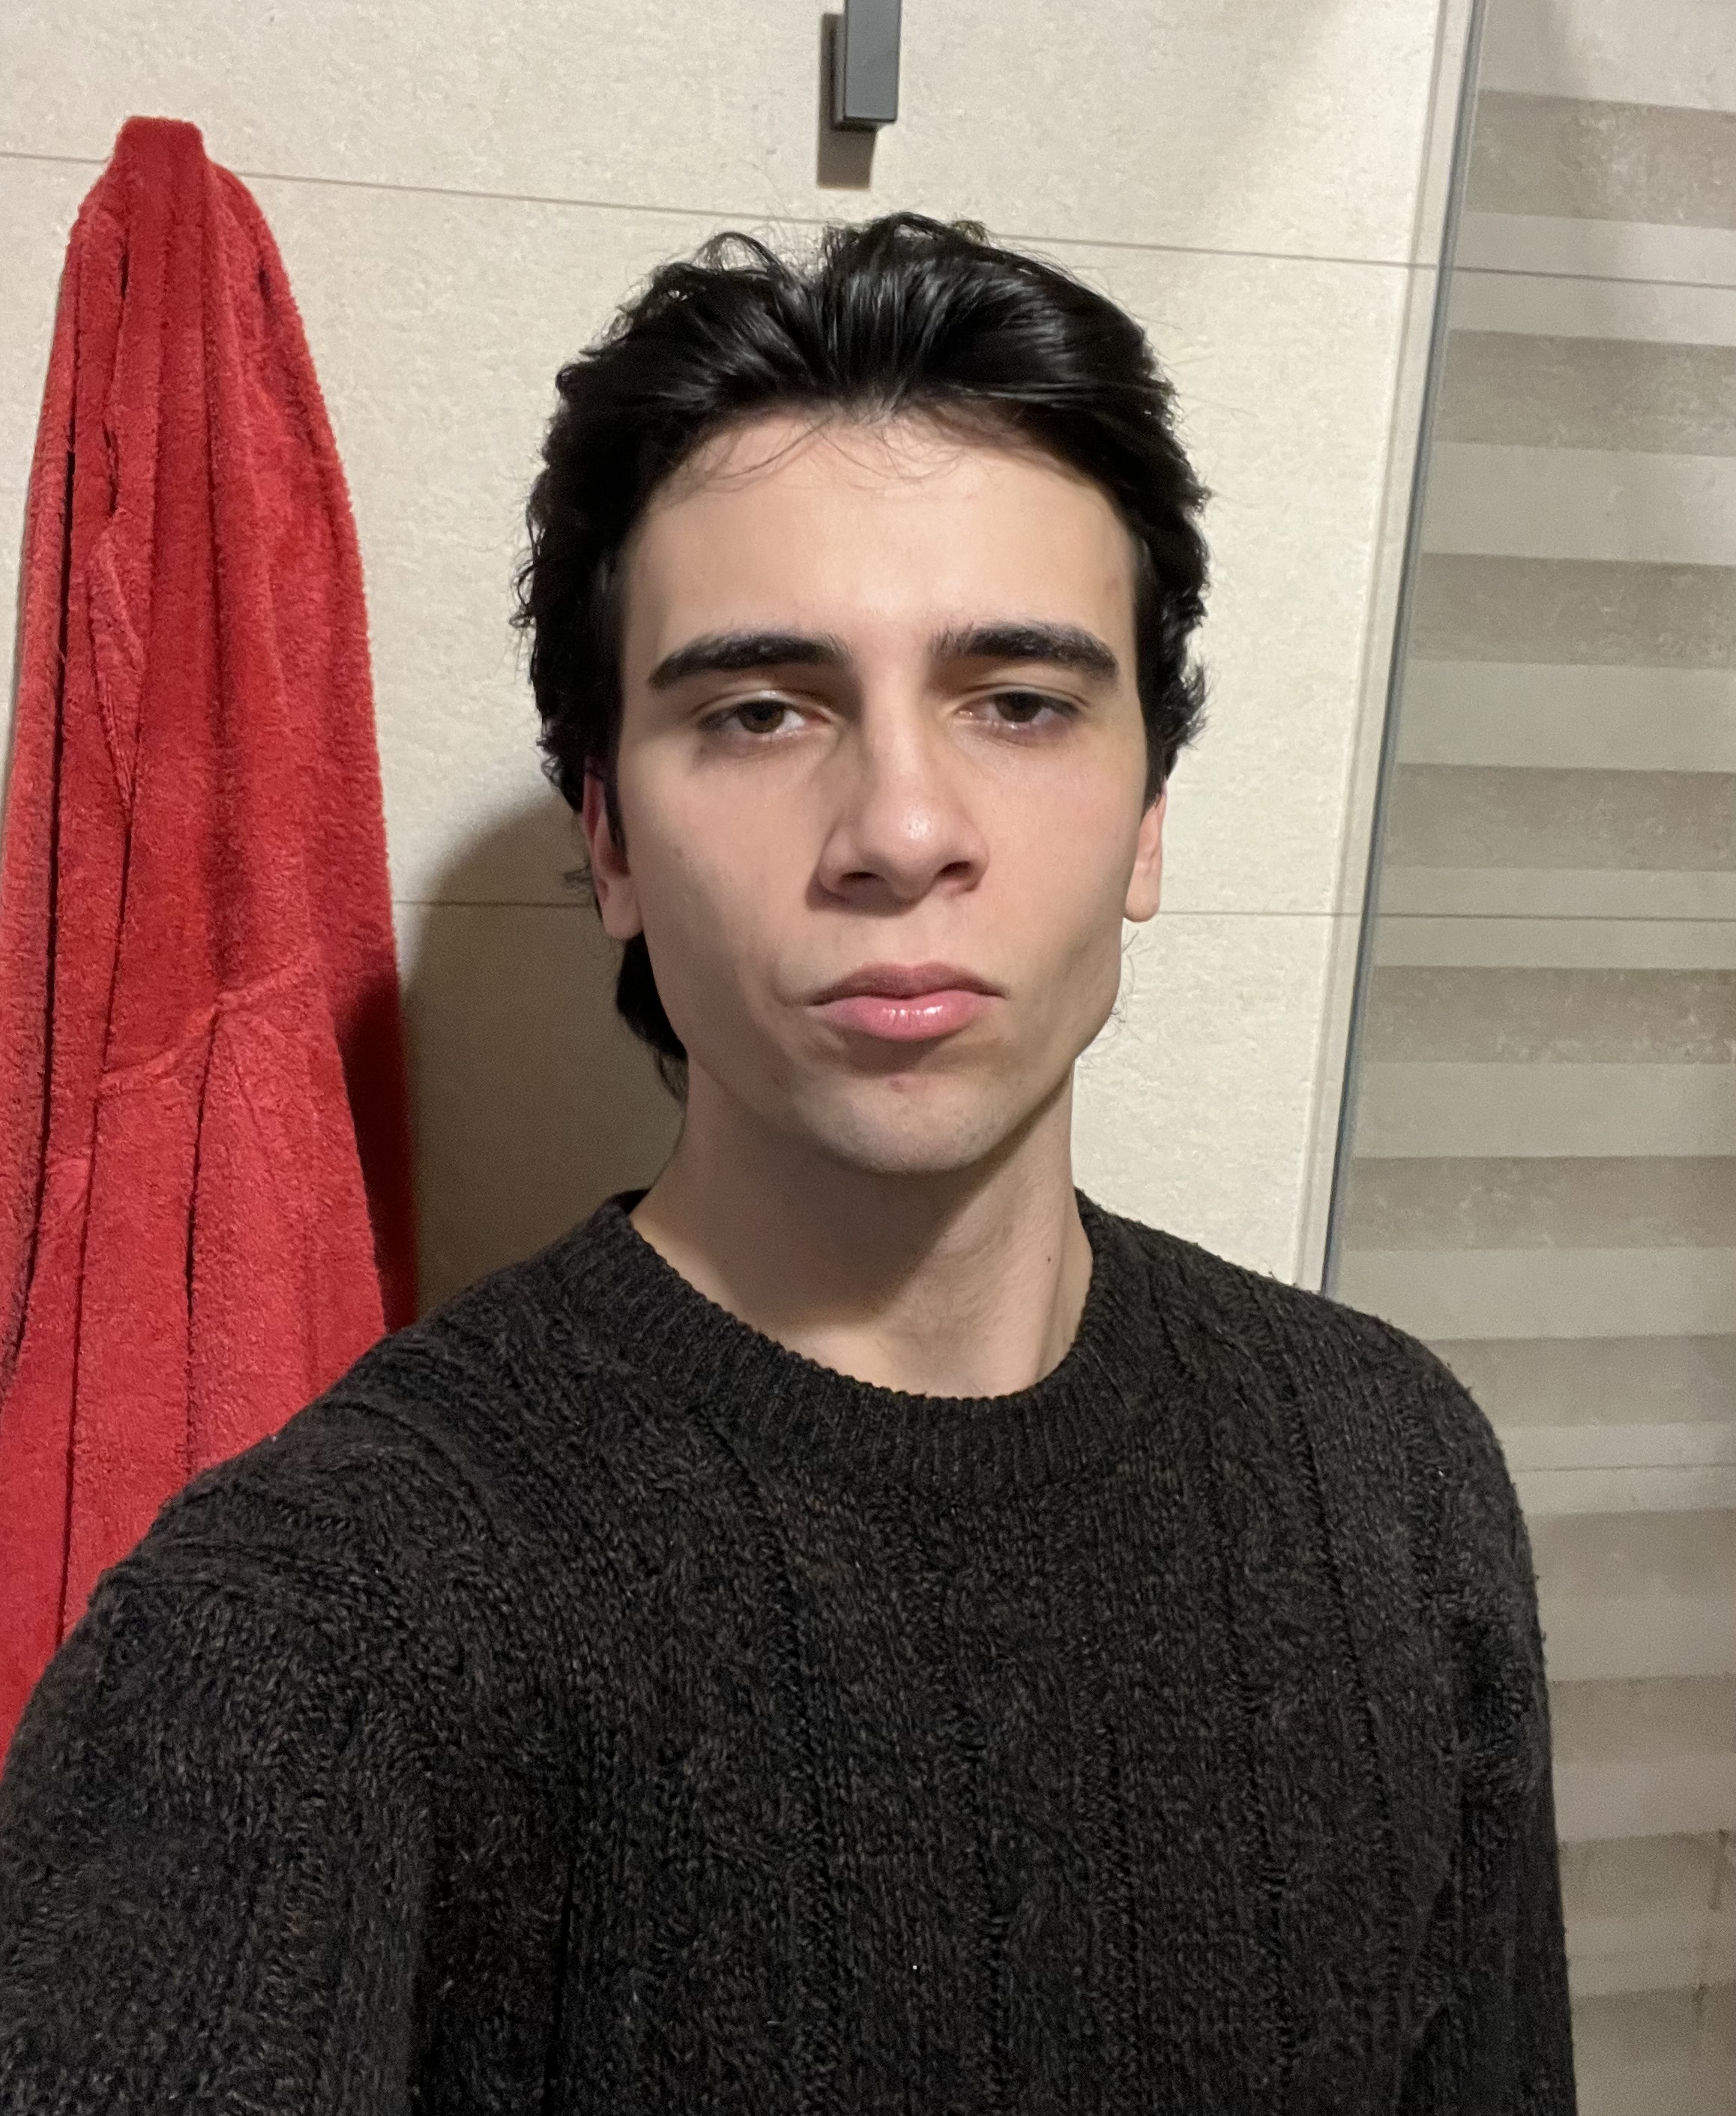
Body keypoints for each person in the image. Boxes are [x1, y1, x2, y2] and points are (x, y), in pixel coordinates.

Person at [0, 214, 1573, 2112]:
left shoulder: (1392, 1475)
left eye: (1020, 700)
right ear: (609, 841)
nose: (901, 828)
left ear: (1150, 810)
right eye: (759, 710)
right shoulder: (301, 1629)